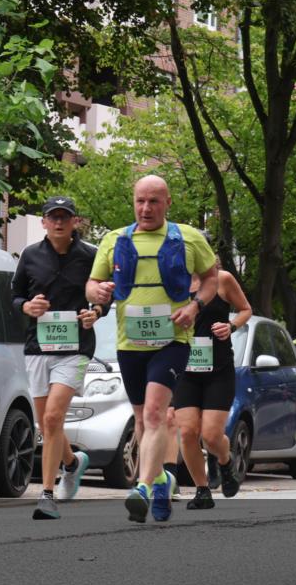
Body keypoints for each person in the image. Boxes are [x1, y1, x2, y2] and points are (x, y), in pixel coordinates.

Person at [86, 175, 217, 523]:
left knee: (157, 414)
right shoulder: (115, 239)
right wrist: (96, 293)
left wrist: (194, 307)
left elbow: (212, 278)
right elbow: (93, 283)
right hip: (130, 342)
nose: (146, 208)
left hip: (172, 340)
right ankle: (161, 480)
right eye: (140, 201)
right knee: (144, 421)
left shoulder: (187, 237)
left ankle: (141, 487)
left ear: (168, 202)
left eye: (154, 201)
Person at [11, 196, 101, 520]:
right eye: (53, 217)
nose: (59, 222)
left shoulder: (91, 256)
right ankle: (73, 464)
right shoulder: (31, 255)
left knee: (52, 419)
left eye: (65, 217)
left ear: (75, 221)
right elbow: (15, 294)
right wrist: (26, 306)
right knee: (47, 422)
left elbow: (107, 292)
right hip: (38, 346)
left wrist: (97, 312)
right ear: (44, 222)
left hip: (75, 348)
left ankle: (46, 494)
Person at [172, 257, 252, 509]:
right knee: (187, 432)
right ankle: (202, 490)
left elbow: (246, 310)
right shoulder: (174, 281)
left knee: (211, 435)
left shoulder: (223, 279)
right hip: (185, 368)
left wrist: (230, 325)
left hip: (218, 368)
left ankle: (225, 462)